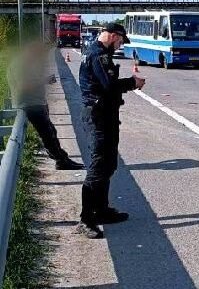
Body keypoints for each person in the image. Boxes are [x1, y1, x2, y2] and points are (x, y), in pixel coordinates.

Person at [77, 23, 145, 239]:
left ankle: (101, 210)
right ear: (114, 36)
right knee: (98, 167)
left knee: (108, 165)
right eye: (120, 41)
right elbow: (109, 85)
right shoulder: (99, 55)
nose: (120, 45)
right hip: (98, 117)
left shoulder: (97, 51)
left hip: (105, 115)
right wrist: (133, 83)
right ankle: (86, 219)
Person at [6, 42, 84, 170]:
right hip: (30, 104)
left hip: (35, 103)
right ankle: (61, 160)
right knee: (48, 134)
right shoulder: (19, 65)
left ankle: (62, 159)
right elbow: (23, 86)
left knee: (51, 131)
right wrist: (44, 81)